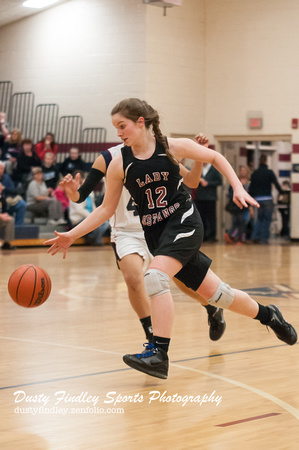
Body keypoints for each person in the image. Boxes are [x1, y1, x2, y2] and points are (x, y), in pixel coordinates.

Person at [45, 98, 297, 380]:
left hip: (185, 223)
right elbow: (105, 209)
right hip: (157, 235)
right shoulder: (118, 164)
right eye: (115, 127)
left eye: (122, 125)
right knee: (218, 295)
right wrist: (71, 234)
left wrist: (237, 187)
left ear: (141, 123)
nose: (118, 133)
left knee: (153, 277)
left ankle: (159, 355)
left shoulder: (171, 147)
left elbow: (214, 157)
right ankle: (269, 315)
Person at [60, 135, 226, 343]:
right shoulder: (109, 157)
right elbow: (81, 195)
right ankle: (151, 333)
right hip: (126, 230)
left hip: (161, 227)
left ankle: (211, 307)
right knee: (133, 278)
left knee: (183, 282)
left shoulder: (161, 152)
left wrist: (199, 157)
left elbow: (192, 181)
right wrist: (73, 194)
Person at [68, 171, 110, 246]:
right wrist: (92, 217)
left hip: (90, 216)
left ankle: (91, 237)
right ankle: (96, 241)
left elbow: (94, 206)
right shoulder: (75, 192)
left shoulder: (91, 193)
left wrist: (98, 216)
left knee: (106, 223)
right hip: (79, 219)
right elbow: (79, 210)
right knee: (96, 225)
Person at [249, 154, 283, 244]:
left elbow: (251, 188)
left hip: (258, 200)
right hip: (267, 198)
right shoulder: (269, 172)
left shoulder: (255, 173)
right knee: (267, 219)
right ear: (266, 162)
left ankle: (255, 236)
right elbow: (276, 184)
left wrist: (250, 201)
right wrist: (282, 193)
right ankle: (264, 239)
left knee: (259, 219)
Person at [193, 162, 222, 242]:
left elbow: (219, 181)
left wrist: (208, 183)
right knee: (201, 218)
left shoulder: (214, 169)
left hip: (210, 198)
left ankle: (212, 235)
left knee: (211, 218)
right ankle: (203, 236)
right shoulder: (198, 168)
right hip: (200, 197)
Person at [225, 165, 250, 245]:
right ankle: (234, 237)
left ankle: (237, 237)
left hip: (245, 204)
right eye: (242, 170)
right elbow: (230, 192)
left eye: (244, 170)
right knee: (237, 221)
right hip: (236, 204)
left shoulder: (249, 182)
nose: (243, 172)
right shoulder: (235, 181)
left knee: (242, 221)